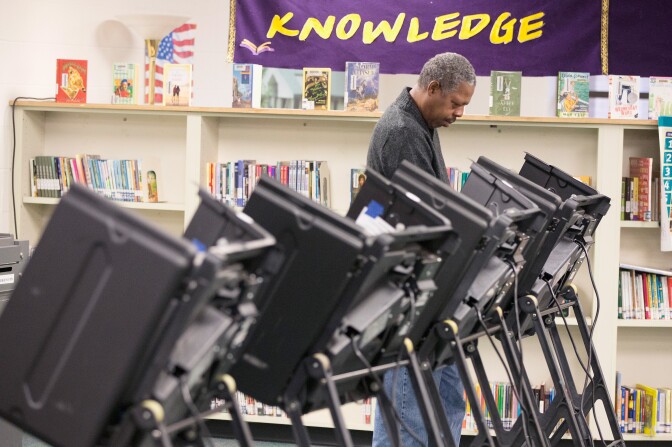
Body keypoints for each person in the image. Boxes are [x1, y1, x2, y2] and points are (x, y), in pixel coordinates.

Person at [367, 52, 476, 447]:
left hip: (430, 282)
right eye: (456, 103)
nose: (460, 112)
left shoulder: (424, 123)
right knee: (406, 414)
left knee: (447, 397)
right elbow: (422, 216)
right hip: (407, 287)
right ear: (432, 89)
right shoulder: (402, 131)